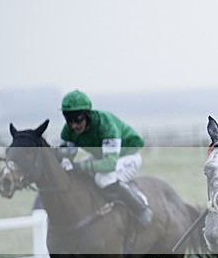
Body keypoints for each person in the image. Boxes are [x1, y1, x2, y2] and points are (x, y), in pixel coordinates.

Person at [58, 89, 153, 227]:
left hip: (128, 157)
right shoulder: (68, 130)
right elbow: (65, 157)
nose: (74, 125)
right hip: (102, 157)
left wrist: (79, 166)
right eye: (69, 120)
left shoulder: (106, 124)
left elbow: (109, 164)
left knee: (103, 179)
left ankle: (141, 208)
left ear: (87, 114)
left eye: (78, 119)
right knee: (76, 173)